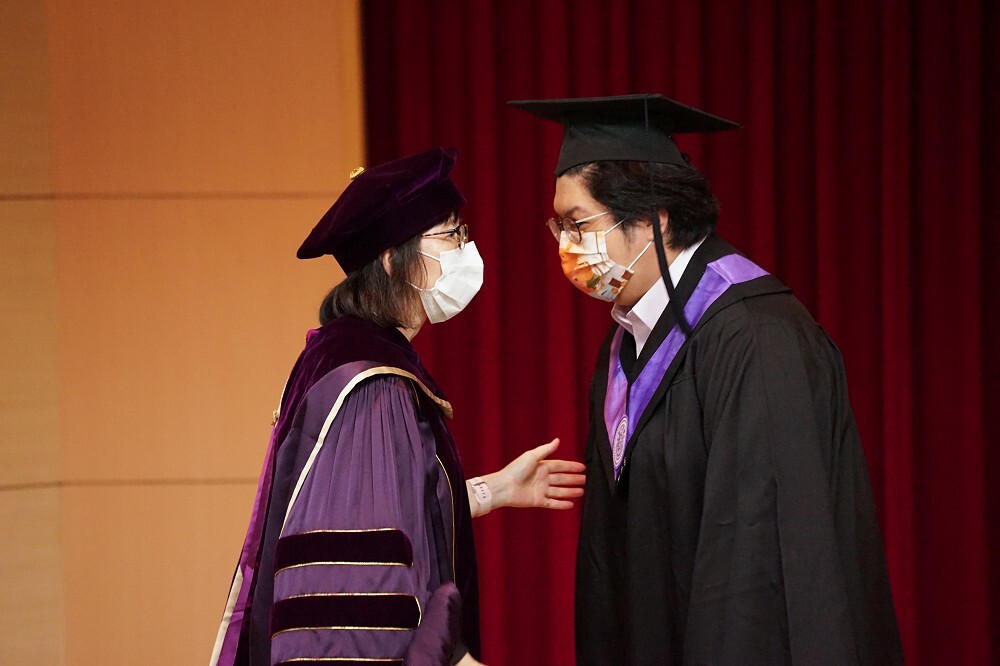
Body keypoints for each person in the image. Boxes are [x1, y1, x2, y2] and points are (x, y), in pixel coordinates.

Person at [510, 94, 903, 664]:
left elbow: (760, 567)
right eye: (560, 227)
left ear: (655, 218)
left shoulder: (755, 337)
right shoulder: (628, 341)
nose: (567, 247)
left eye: (579, 224)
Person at [210, 147, 585, 666]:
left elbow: (385, 513)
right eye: (451, 235)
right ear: (391, 258)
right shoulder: (372, 381)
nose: (467, 250)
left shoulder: (347, 354)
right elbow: (359, 577)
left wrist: (491, 490)